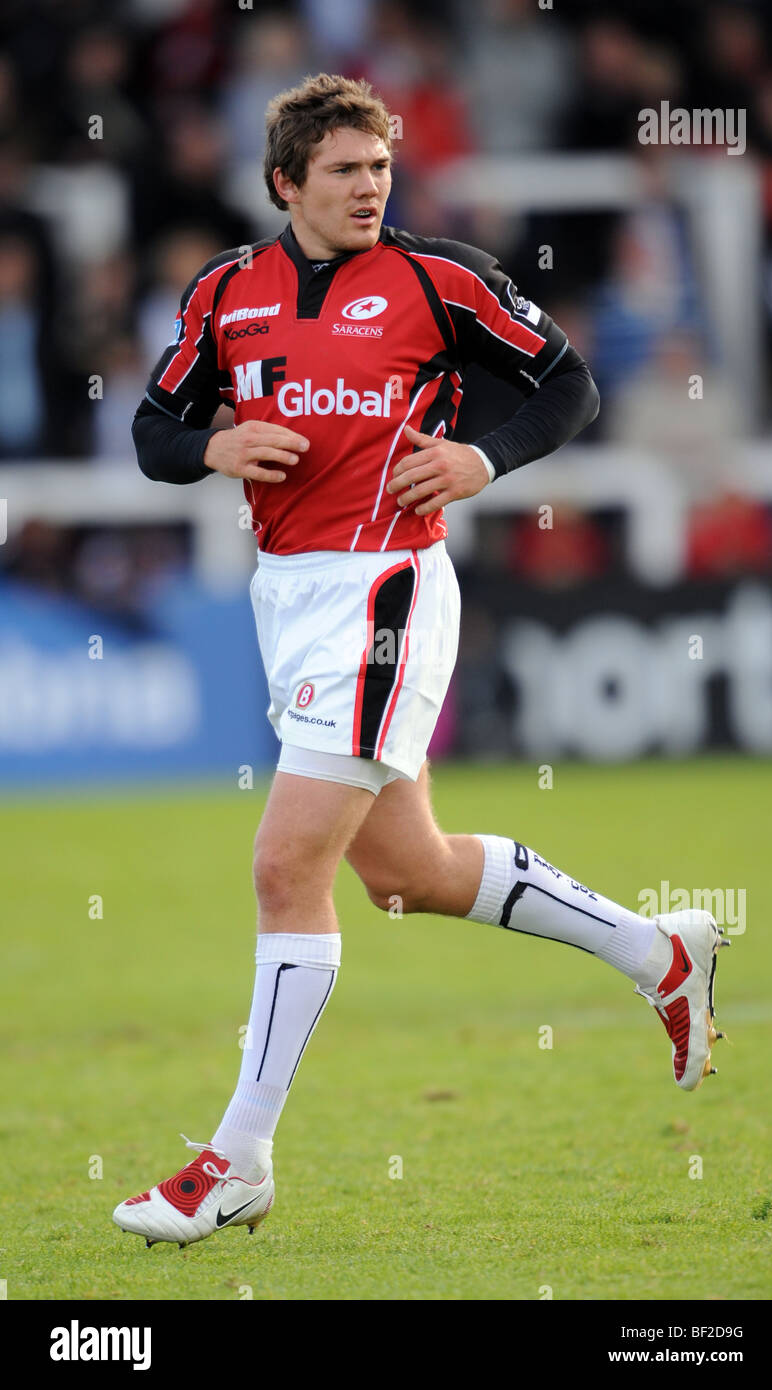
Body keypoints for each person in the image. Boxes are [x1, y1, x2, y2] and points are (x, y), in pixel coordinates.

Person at [114, 75, 729, 1249]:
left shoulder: (437, 279)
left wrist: (480, 460)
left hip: (387, 588)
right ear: (285, 180)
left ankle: (235, 1158)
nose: (368, 188)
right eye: (344, 170)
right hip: (287, 597)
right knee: (408, 873)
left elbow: (569, 384)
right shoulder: (224, 295)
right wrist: (212, 444)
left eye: (380, 168)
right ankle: (658, 952)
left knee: (284, 865)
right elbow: (152, 431)